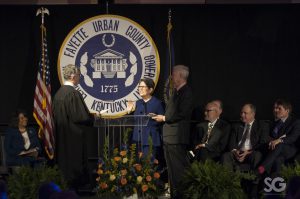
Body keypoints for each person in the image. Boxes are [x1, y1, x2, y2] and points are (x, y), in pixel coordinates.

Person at [152, 65, 193, 199]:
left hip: (176, 138)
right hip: (170, 137)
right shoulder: (177, 92)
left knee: (178, 171)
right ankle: (175, 194)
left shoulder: (186, 92)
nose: (171, 77)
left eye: (173, 74)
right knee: (172, 172)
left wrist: (164, 118)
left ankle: (181, 195)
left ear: (181, 76)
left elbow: (182, 113)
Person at [53, 64, 93, 189]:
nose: (79, 78)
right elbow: (80, 117)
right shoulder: (72, 93)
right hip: (73, 137)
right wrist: (94, 117)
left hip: (60, 135)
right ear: (72, 76)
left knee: (64, 163)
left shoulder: (58, 94)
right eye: (79, 75)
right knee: (75, 165)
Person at [257, 99, 300, 176]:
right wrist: (271, 142)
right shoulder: (273, 122)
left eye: (279, 108)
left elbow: (293, 138)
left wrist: (279, 140)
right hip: (275, 150)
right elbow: (267, 136)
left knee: (280, 145)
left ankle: (261, 169)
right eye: (275, 108)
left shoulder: (295, 122)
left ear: (287, 111)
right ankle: (270, 181)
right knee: (278, 160)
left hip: (289, 149)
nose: (275, 110)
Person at [222, 104, 269, 171]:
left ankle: (255, 179)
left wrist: (248, 152)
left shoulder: (262, 126)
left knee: (257, 155)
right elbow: (231, 143)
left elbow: (262, 144)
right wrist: (235, 151)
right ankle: (229, 180)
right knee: (226, 156)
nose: (242, 115)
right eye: (241, 112)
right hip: (237, 152)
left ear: (253, 114)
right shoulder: (236, 126)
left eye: (245, 113)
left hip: (251, 153)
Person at [126, 78, 164, 158]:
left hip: (150, 140)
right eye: (139, 87)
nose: (140, 89)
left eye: (143, 87)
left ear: (150, 90)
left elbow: (162, 121)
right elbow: (132, 120)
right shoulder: (137, 103)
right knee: (136, 167)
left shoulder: (157, 103)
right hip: (137, 140)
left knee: (148, 166)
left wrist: (156, 117)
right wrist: (129, 111)